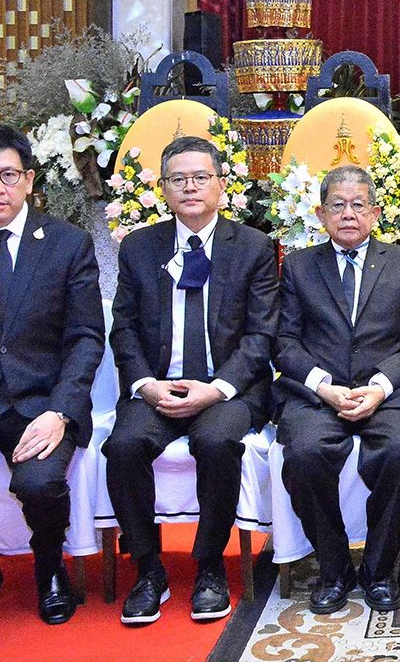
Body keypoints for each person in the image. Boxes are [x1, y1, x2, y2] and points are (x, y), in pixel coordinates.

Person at [0, 125, 104, 628]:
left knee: (38, 482)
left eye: (8, 175)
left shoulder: (67, 244)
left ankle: (52, 572)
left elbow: (86, 338)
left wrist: (60, 412)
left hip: (43, 402)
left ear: (29, 179)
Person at [105, 135, 278, 625]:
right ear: (163, 189)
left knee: (218, 440)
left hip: (226, 387)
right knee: (124, 445)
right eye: (178, 179)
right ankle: (147, 568)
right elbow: (124, 328)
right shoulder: (140, 247)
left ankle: (208, 568)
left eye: (200, 177)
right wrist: (144, 384)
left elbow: (262, 335)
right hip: (159, 384)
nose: (190, 188)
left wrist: (217, 388)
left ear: (221, 185)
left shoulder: (254, 247)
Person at [275, 166, 400, 614]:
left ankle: (379, 569)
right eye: (337, 205)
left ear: (376, 212)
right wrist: (323, 386)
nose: (348, 214)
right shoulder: (299, 266)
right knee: (304, 456)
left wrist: (380, 387)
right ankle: (334, 568)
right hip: (318, 395)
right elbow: (283, 343)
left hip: (389, 393)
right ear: (321, 213)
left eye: (358, 205)